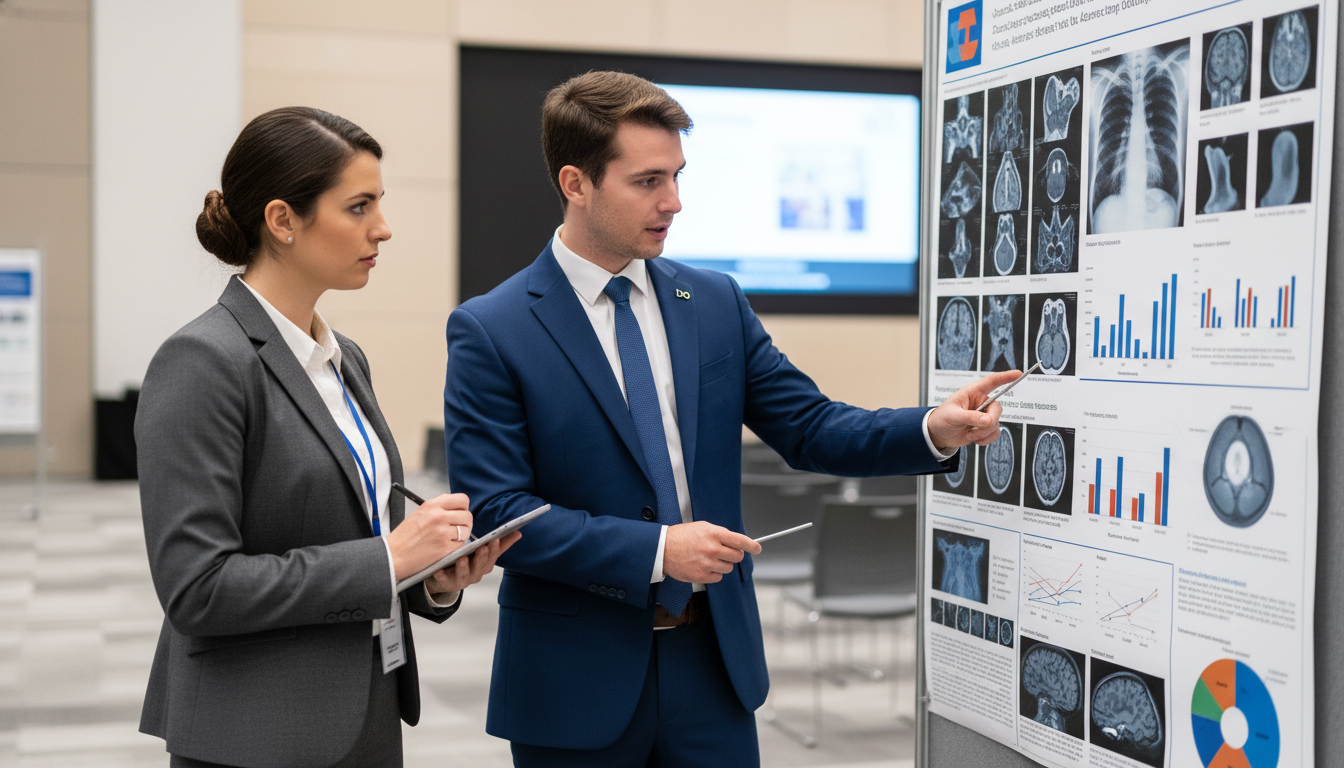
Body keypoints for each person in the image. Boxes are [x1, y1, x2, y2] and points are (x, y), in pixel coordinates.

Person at [443, 72, 1016, 766]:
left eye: (677, 176)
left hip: (713, 667)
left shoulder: (712, 301)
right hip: (574, 679)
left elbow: (809, 426)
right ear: (575, 183)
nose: (674, 202)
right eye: (648, 181)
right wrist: (658, 553)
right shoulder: (492, 328)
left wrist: (931, 428)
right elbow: (500, 514)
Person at [136, 107, 518, 768]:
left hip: (364, 712)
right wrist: (388, 559)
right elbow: (197, 588)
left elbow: (358, 532)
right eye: (359, 206)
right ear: (283, 221)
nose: (383, 228)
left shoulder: (344, 358)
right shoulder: (203, 362)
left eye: (381, 203)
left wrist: (431, 577)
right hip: (254, 736)